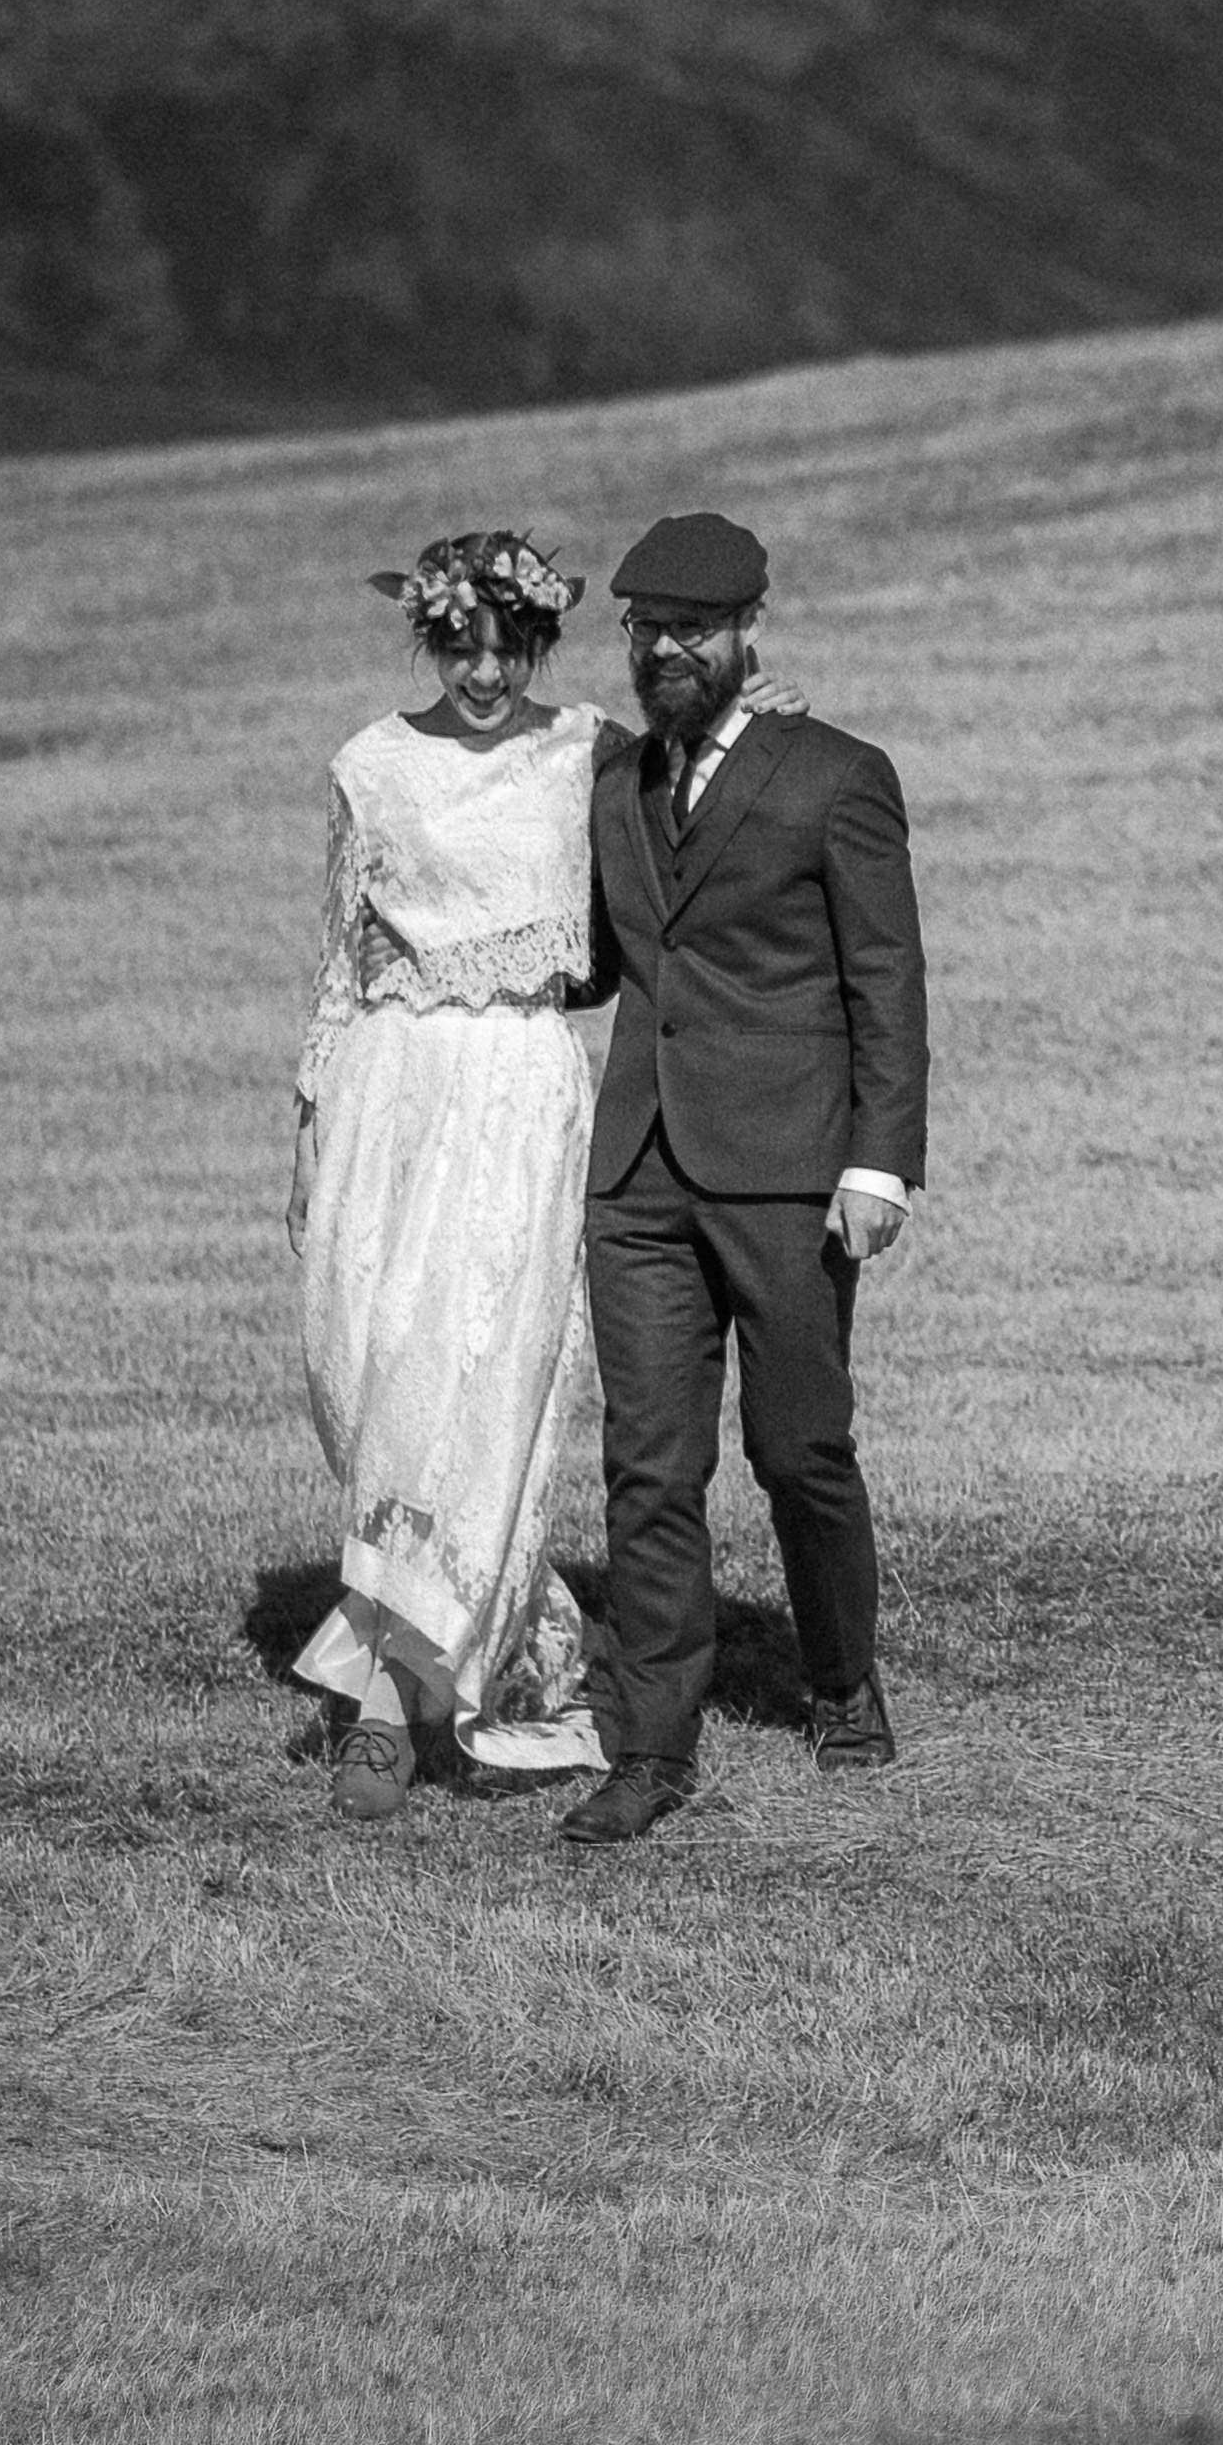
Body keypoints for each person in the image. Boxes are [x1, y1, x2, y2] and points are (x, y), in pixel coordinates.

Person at [286, 526, 802, 1825]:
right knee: (371, 1371)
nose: (484, 671)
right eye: (459, 645)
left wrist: (774, 718)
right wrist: (307, 1120)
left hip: (519, 1094)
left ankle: (389, 1706)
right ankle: (426, 1634)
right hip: (387, 1093)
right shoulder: (370, 765)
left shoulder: (587, 754)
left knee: (473, 1371)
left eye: (509, 646)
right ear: (430, 638)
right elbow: (343, 957)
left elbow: (703, 778)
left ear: (537, 641)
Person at [561, 511, 929, 1847]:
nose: (665, 650)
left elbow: (884, 975)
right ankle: (654, 1750)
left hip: (787, 1171)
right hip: (640, 1173)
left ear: (749, 631)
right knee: (648, 1470)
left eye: (692, 630)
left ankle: (840, 1679)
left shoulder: (836, 774)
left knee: (799, 1451)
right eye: (646, 630)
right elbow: (599, 959)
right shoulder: (608, 782)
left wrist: (880, 1161)